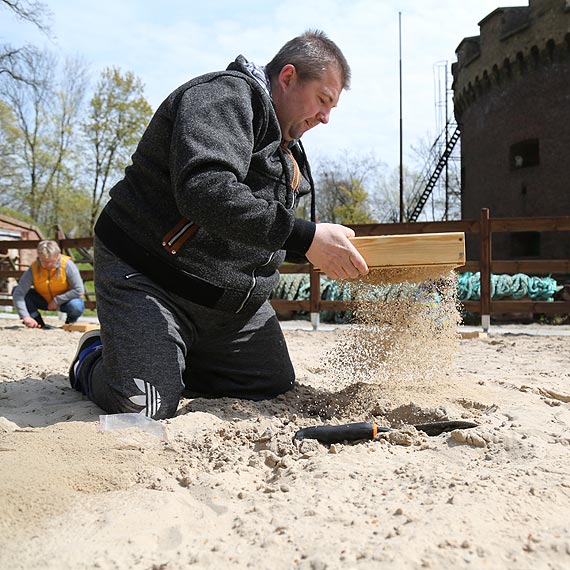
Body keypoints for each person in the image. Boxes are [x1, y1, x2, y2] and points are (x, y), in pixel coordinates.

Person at [69, 29, 368, 419]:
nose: (326, 118)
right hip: (149, 276)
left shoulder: (288, 155)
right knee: (144, 406)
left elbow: (264, 232)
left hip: (227, 304)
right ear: (288, 76)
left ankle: (166, 358)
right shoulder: (223, 97)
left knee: (270, 383)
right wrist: (306, 237)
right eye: (323, 100)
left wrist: (323, 251)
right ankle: (93, 356)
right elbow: (205, 190)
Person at [12, 240, 85, 329]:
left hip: (65, 302)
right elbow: (19, 293)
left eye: (51, 261)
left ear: (58, 257)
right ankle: (37, 322)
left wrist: (57, 300)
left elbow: (79, 289)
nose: (48, 265)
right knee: (16, 290)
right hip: (43, 300)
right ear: (39, 258)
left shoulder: (68, 265)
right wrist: (25, 316)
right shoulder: (33, 268)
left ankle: (70, 323)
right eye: (44, 262)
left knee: (76, 305)